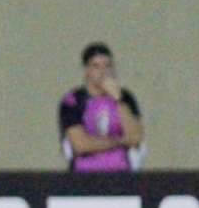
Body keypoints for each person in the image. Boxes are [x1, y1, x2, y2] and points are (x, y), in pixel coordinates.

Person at [58, 42, 145, 172]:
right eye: (96, 66)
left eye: (107, 66)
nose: (103, 72)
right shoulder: (73, 101)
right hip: (84, 174)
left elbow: (135, 137)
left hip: (121, 172)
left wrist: (118, 99)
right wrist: (119, 141)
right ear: (87, 70)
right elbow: (80, 145)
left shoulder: (126, 97)